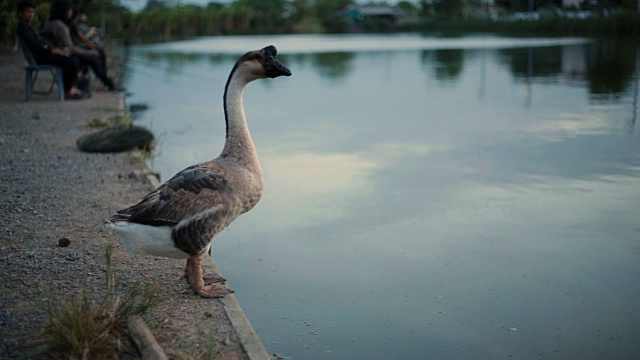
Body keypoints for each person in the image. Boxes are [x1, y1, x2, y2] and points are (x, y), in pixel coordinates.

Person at [16, 0, 89, 100]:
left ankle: (72, 87)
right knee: (71, 62)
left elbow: (42, 41)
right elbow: (34, 45)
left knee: (73, 57)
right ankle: (68, 91)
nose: (31, 14)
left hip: (44, 54)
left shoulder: (29, 27)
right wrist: (51, 50)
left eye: (32, 12)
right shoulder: (23, 27)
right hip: (39, 57)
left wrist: (58, 49)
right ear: (20, 13)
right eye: (28, 12)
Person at [42, 0, 118, 91]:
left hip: (57, 53)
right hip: (63, 55)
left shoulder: (49, 23)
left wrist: (91, 48)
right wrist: (90, 52)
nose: (71, 12)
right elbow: (71, 47)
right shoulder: (61, 26)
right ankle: (110, 84)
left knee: (96, 54)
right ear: (65, 11)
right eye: (70, 10)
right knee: (93, 58)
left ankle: (106, 80)